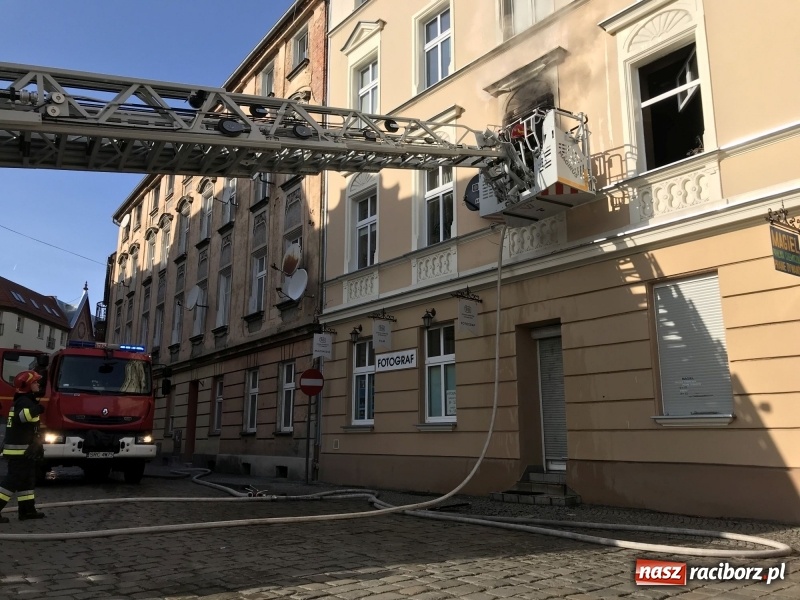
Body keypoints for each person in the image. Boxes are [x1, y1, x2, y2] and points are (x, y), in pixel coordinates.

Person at [0, 370, 46, 522]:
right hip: (18, 450)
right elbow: (21, 418)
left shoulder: (25, 399)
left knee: (27, 481)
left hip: (25, 450)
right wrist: (37, 409)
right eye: (35, 382)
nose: (38, 384)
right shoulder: (24, 401)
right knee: (12, 481)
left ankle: (27, 511)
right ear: (27, 385)